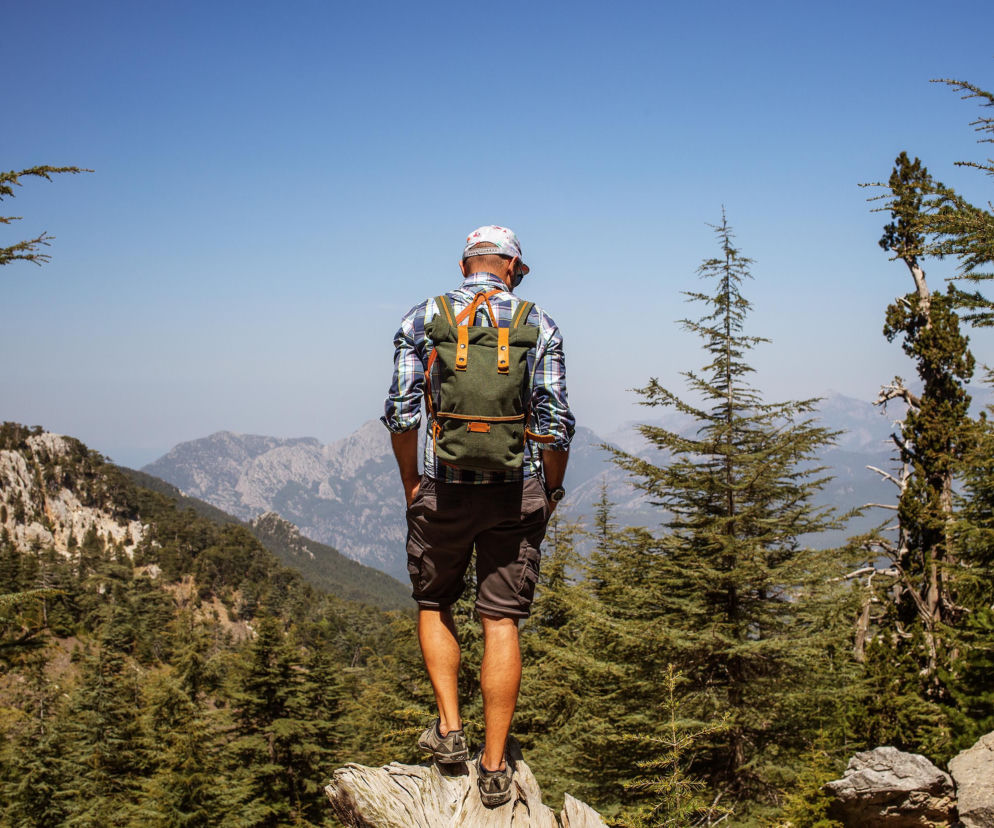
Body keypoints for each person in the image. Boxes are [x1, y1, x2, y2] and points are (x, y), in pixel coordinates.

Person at [381, 224, 575, 807]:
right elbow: (556, 424)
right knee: (500, 621)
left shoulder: (423, 318)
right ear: (511, 267)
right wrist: (554, 490)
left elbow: (399, 413)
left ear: (466, 263)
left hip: (441, 489)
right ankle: (494, 767)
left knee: (434, 602)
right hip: (514, 494)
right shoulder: (540, 324)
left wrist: (412, 481)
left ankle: (449, 731)